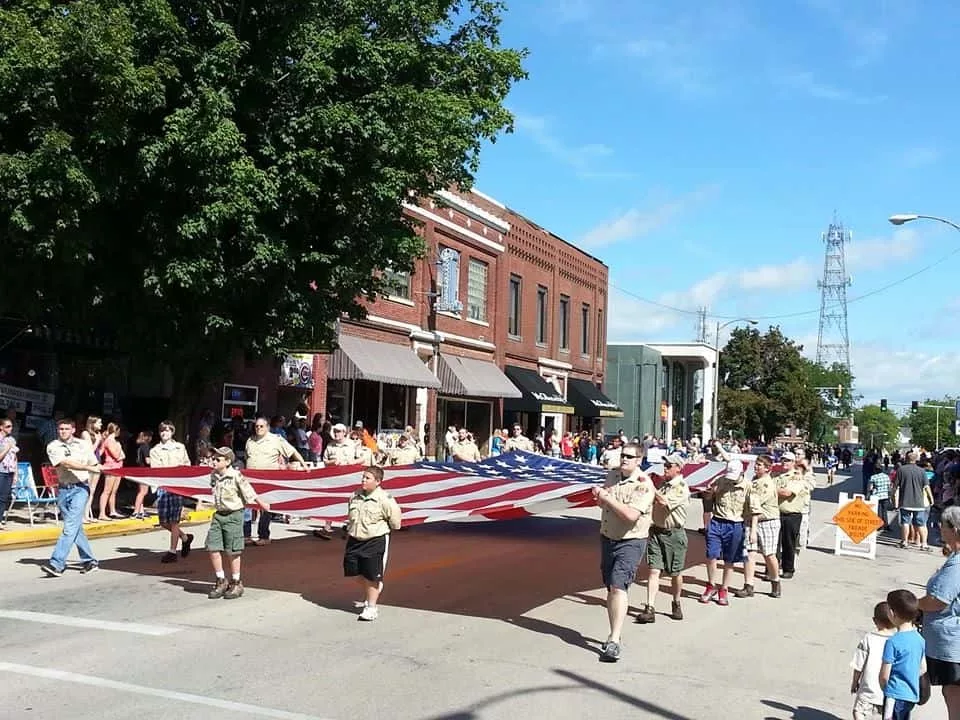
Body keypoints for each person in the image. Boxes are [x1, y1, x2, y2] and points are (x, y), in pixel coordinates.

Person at [594, 442, 654, 662]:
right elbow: (603, 505)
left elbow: (630, 515)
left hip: (630, 541)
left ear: (639, 460)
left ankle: (615, 640)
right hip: (608, 537)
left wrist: (608, 498)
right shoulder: (612, 476)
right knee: (611, 586)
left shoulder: (643, 485)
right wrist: (600, 497)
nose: (624, 459)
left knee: (619, 586)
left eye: (629, 456)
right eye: (623, 455)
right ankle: (613, 631)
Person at [206, 447, 269, 600]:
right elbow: (213, 491)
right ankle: (221, 580)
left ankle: (236, 582)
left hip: (234, 515)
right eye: (213, 458)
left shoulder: (235, 476)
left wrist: (262, 504)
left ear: (227, 462)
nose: (214, 461)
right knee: (212, 547)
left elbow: (249, 491)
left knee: (233, 550)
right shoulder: (214, 475)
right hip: (219, 515)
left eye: (217, 459)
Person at [635, 453, 689, 623]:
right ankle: (650, 607)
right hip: (657, 532)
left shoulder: (680, 487)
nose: (665, 468)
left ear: (678, 468)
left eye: (669, 465)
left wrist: (650, 486)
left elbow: (664, 502)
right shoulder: (664, 485)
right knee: (654, 569)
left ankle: (676, 601)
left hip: (674, 534)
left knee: (675, 573)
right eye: (664, 465)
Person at [42, 418, 100, 576]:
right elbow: (65, 463)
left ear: (73, 430)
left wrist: (95, 471)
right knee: (74, 527)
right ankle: (89, 561)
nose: (63, 432)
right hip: (63, 489)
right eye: (61, 429)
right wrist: (87, 467)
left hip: (80, 488)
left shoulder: (83, 445)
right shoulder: (53, 446)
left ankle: (56, 563)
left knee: (69, 527)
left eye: (67, 429)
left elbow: (94, 464)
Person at [917, 504, 960, 718]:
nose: (939, 529)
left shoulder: (957, 564)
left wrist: (915, 605)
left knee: (953, 691)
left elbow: (938, 600)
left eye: (942, 525)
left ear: (954, 529)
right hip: (951, 639)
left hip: (953, 642)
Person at [344, 465, 402, 621]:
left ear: (378, 481)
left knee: (371, 576)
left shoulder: (384, 499)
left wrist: (386, 529)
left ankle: (371, 607)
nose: (363, 480)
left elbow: (395, 520)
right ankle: (375, 588)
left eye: (367, 478)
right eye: (363, 477)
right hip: (355, 539)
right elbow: (350, 513)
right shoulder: (355, 495)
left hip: (374, 540)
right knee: (353, 572)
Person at [700, 457, 750, 606]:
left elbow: (753, 508)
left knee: (730, 559)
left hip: (736, 524)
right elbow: (709, 496)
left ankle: (724, 589)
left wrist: (751, 529)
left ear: (741, 472)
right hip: (717, 521)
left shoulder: (748, 486)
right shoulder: (721, 480)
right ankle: (711, 585)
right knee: (711, 555)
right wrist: (708, 492)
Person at [735, 454, 782, 599]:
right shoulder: (755, 480)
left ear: (768, 469)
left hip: (767, 521)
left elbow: (756, 506)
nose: (756, 466)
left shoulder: (767, 484)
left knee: (769, 554)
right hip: (751, 521)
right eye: (756, 464)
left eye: (760, 465)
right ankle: (748, 585)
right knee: (749, 553)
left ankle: (775, 581)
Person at [149, 421, 195, 563]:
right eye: (162, 430)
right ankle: (185, 538)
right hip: (163, 486)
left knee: (174, 520)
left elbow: (186, 464)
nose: (165, 433)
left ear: (172, 432)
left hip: (176, 486)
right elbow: (155, 469)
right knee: (163, 521)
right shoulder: (155, 450)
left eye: (168, 430)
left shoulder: (179, 447)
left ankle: (172, 551)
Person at [881, 589, 927, 720]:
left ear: (891, 613)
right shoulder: (919, 639)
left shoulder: (893, 642)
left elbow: (884, 676)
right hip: (911, 695)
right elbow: (923, 669)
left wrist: (885, 688)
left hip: (894, 694)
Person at [851, 601, 897, 720]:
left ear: (874, 620)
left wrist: (855, 682)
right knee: (887, 715)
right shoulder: (897, 641)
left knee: (858, 711)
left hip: (868, 688)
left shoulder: (868, 639)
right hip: (889, 689)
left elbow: (858, 664)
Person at [0, 416, 19, 527]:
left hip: (9, 471)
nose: (10, 428)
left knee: (4, 497)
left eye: (11, 426)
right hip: (1, 470)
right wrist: (7, 448)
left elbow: (15, 457)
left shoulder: (11, 439)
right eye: (8, 426)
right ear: (1, 427)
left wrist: (16, 473)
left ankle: (0, 517)